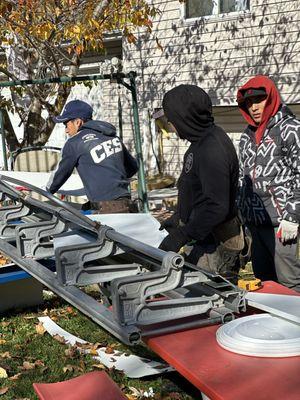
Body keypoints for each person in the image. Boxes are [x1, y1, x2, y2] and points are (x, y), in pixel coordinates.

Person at [158, 84, 244, 283]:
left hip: (216, 247)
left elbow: (216, 206)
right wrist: (180, 215)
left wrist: (182, 234)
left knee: (210, 301)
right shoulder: (199, 142)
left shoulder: (212, 149)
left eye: (172, 118)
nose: (170, 122)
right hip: (203, 238)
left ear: (186, 116)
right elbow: (199, 193)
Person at [237, 75, 300, 291]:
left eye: (258, 100)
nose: (253, 107)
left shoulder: (291, 129)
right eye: (248, 103)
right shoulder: (246, 136)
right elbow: (241, 176)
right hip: (256, 223)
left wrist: (293, 216)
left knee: (290, 282)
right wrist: (242, 214)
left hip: (284, 225)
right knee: (264, 281)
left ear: (271, 98)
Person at [47, 100, 138, 213]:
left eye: (66, 124)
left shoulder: (74, 143)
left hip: (106, 210)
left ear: (78, 122)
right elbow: (133, 167)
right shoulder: (112, 137)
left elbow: (59, 175)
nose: (66, 130)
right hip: (127, 204)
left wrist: (45, 192)